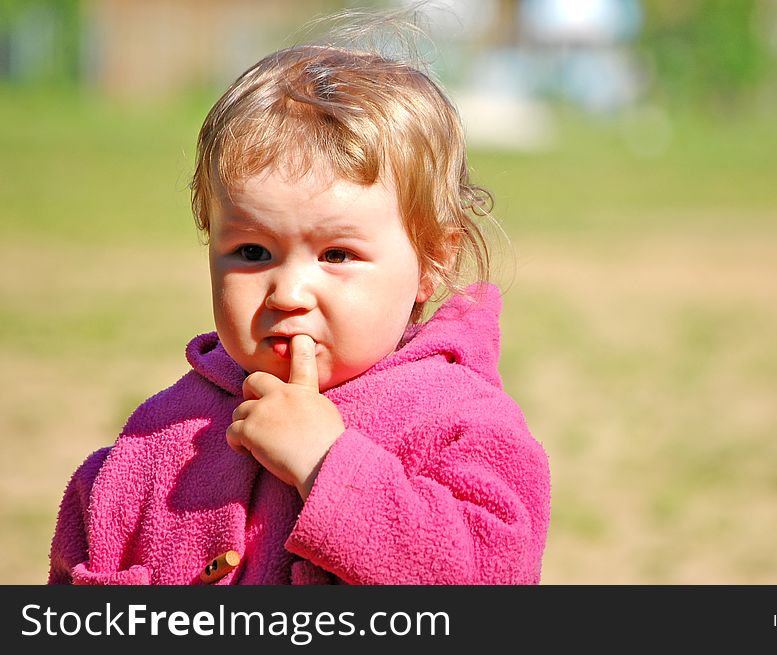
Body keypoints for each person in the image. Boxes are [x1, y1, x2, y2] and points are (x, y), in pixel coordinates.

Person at [47, 25, 551, 585]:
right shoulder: (161, 431)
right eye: (253, 251)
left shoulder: (462, 425)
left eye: (337, 254)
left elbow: (488, 574)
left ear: (431, 260)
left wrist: (326, 464)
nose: (288, 292)